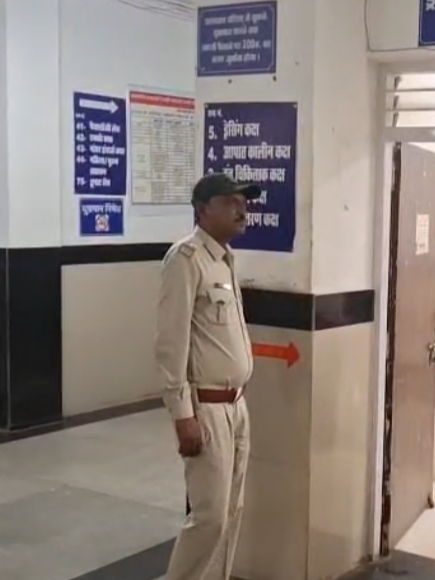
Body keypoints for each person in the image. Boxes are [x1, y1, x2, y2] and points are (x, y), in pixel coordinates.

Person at [157, 173, 261, 580]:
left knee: (232, 511)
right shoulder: (185, 259)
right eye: (231, 201)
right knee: (210, 517)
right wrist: (182, 414)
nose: (242, 208)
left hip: (236, 405)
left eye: (244, 201)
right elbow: (171, 344)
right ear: (203, 209)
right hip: (207, 409)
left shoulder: (225, 260)